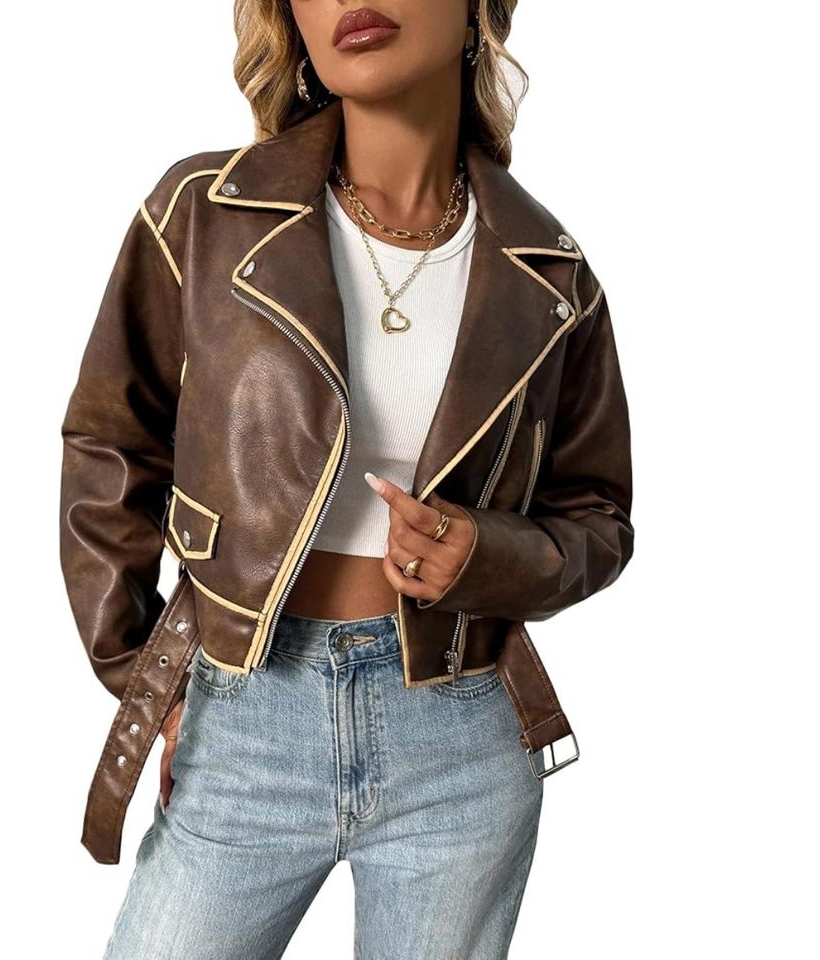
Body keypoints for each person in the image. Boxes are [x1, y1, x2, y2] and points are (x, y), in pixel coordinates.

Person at [58, 1, 634, 956]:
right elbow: (110, 444)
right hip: (245, 708)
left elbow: (598, 517)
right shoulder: (205, 212)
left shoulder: (549, 272)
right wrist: (142, 675)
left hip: (461, 736)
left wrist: (483, 554)